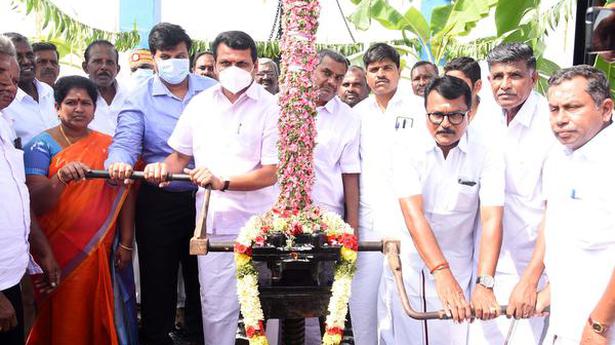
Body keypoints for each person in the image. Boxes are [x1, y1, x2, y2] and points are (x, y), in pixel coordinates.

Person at [143, 30, 279, 345]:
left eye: (242, 63)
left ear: (255, 65)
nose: (234, 69)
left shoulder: (271, 107)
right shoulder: (200, 105)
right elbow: (179, 155)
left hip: (261, 226)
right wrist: (161, 168)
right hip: (213, 224)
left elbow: (270, 173)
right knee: (216, 309)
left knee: (261, 310)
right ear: (214, 66)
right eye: (226, 62)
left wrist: (223, 182)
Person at [106, 22, 215, 345]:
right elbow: (125, 140)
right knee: (158, 281)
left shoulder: (212, 90)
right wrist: (119, 161)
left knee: (204, 280)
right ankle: (156, 338)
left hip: (208, 200)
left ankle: (200, 338)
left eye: (180, 55)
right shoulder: (138, 96)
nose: (173, 62)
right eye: (166, 56)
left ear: (189, 54)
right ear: (154, 58)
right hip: (160, 199)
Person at [389, 75, 504, 345]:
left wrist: (485, 282)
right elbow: (412, 213)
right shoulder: (406, 147)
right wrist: (440, 272)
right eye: (437, 115)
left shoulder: (486, 150)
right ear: (425, 112)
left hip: (464, 267)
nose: (445, 124)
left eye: (455, 116)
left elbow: (492, 219)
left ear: (470, 113)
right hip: (419, 267)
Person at [22, 75, 134, 344]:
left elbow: (126, 193)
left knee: (103, 316)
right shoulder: (40, 146)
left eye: (86, 103)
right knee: (63, 319)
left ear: (95, 109)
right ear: (57, 107)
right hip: (56, 249)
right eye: (71, 102)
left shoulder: (111, 147)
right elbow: (35, 203)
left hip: (102, 247)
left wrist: (127, 242)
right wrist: (60, 178)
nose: (79, 108)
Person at [466, 43, 553, 345]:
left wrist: (531, 281)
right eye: (497, 76)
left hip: (531, 267)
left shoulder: (550, 123)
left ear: (534, 78)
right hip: (484, 266)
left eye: (514, 75)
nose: (505, 84)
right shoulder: (482, 119)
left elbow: (555, 211)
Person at [527, 65, 615, 345]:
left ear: (606, 109)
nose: (560, 119)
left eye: (573, 107)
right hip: (566, 321)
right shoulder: (559, 156)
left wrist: (600, 324)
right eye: (554, 109)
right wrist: (550, 289)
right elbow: (561, 229)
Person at [353, 42, 425, 345]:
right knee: (363, 297)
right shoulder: (356, 114)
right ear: (367, 75)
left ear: (399, 71)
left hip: (407, 219)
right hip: (368, 219)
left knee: (402, 298)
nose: (380, 74)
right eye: (374, 69)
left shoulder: (419, 107)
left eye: (387, 68)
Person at [0, 34, 59, 345]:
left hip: (12, 269)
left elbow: (17, 197)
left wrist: (41, 252)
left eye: (11, 77)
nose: (8, 85)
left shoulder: (5, 124)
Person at [2, 32, 57, 144]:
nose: (26, 61)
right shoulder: (5, 102)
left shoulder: (49, 91)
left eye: (29, 55)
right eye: (18, 56)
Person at [82, 40, 127, 136]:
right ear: (85, 67)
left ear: (117, 69)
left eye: (110, 62)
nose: (104, 67)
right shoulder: (76, 100)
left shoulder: (131, 97)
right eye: (97, 62)